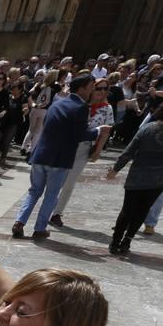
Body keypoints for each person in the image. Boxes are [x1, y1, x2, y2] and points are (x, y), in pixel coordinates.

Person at [12, 75, 108, 240]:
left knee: (34, 191)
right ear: (81, 88)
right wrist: (99, 131)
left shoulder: (57, 103)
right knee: (51, 194)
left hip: (41, 154)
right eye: (91, 86)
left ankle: (20, 221)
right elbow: (80, 135)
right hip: (60, 158)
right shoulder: (80, 107)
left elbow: (48, 126)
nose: (93, 89)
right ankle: (40, 228)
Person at [105, 97, 163, 256]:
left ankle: (115, 242)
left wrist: (115, 169)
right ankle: (127, 241)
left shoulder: (147, 128)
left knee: (127, 210)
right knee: (143, 209)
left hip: (137, 176)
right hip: (161, 177)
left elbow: (128, 152)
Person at [50, 76, 116, 227]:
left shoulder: (107, 109)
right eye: (99, 88)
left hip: (84, 148)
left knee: (70, 182)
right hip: (66, 145)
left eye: (106, 89)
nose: (102, 91)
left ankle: (57, 212)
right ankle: (48, 206)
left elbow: (106, 131)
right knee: (57, 179)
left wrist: (98, 150)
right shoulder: (79, 104)